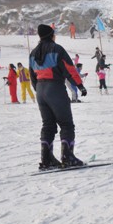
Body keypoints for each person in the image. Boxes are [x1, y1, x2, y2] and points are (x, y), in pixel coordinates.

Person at [29, 24, 87, 169]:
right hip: (55, 88)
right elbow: (69, 69)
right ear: (51, 35)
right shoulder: (57, 49)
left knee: (48, 125)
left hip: (41, 91)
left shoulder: (33, 53)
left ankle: (46, 159)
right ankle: (68, 157)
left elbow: (32, 76)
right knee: (66, 124)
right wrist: (80, 85)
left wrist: (39, 90)